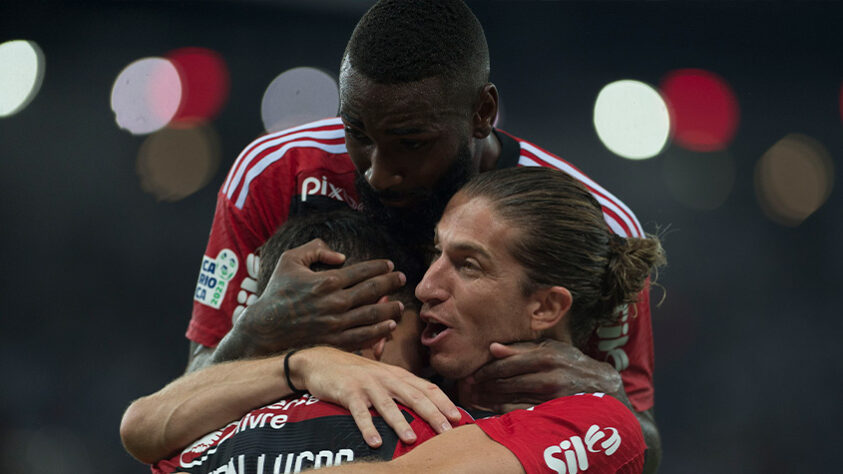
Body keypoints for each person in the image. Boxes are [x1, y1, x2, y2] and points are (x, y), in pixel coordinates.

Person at [186, 0, 661, 470]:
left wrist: (610, 401)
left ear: (482, 113)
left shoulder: (592, 226)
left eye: (411, 143)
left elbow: (643, 444)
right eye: (357, 132)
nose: (377, 173)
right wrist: (256, 333)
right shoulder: (279, 175)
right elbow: (183, 403)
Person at [125, 167, 665, 473]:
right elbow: (139, 428)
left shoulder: (596, 422)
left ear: (545, 307)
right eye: (435, 255)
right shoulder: (249, 418)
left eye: (468, 265)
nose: (428, 286)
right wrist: (303, 363)